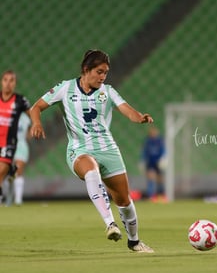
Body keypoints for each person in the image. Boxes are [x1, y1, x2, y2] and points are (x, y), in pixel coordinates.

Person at [30, 49, 154, 253]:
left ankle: (134, 242)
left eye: (105, 72)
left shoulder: (108, 91)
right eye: (99, 72)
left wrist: (139, 117)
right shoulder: (65, 88)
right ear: (86, 70)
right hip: (79, 150)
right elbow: (36, 107)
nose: (103, 77)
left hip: (108, 150)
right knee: (91, 170)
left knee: (124, 200)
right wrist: (36, 123)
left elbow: (127, 109)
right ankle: (110, 224)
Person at [0, 70, 31, 205]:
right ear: (2, 82)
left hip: (13, 144)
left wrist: (35, 126)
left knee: (6, 171)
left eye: (11, 80)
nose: (8, 83)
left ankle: (17, 200)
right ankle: (6, 195)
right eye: (5, 80)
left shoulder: (20, 102)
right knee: (4, 174)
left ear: (15, 83)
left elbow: (33, 115)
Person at [3, 112, 31, 206]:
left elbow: (28, 134)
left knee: (18, 171)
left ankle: (18, 200)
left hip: (20, 146)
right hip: (7, 145)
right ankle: (8, 198)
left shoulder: (25, 118)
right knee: (7, 173)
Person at [139, 125, 167, 202]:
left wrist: (163, 158)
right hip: (150, 162)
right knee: (150, 178)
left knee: (160, 179)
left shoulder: (160, 141)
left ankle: (161, 195)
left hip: (158, 162)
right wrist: (142, 161)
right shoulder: (147, 141)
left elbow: (163, 150)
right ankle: (151, 196)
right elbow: (144, 152)